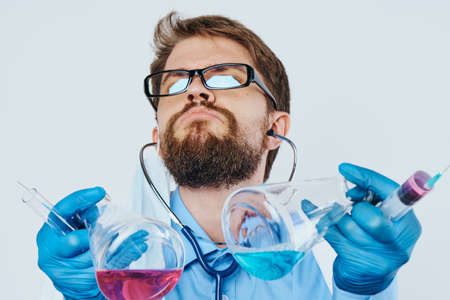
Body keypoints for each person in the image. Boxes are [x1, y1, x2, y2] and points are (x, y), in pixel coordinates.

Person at [36, 12, 422, 300]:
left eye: (225, 77)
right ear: (158, 139)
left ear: (276, 129)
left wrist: (365, 291)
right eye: (176, 83)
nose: (195, 92)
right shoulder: (118, 266)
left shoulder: (326, 260)